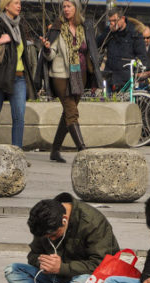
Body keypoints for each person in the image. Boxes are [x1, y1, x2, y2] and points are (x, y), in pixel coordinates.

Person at [5, 192, 120, 283]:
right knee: (12, 270)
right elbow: (33, 255)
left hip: (82, 279)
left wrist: (62, 268)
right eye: (47, 237)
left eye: (54, 235)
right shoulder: (44, 222)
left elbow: (102, 265)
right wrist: (43, 262)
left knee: (82, 281)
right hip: (54, 278)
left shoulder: (92, 222)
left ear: (64, 219)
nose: (51, 239)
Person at [39, 0, 101, 162]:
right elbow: (51, 54)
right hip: (60, 75)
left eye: (69, 6)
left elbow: (91, 50)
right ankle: (82, 149)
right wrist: (46, 48)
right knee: (72, 112)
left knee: (67, 114)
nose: (66, 10)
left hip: (80, 75)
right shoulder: (58, 27)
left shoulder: (84, 27)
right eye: (64, 7)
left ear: (76, 8)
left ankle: (54, 150)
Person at [0, 0, 34, 147]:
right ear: (6, 5)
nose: (19, 5)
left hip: (19, 77)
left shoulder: (20, 25)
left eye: (20, 3)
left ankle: (17, 153)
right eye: (15, 3)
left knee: (19, 117)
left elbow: (22, 55)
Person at [97, 8, 147, 91]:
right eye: (110, 21)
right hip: (111, 77)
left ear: (122, 19)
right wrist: (108, 33)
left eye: (114, 20)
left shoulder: (134, 33)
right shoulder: (109, 32)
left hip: (126, 78)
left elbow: (141, 56)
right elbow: (97, 44)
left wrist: (134, 72)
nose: (112, 23)